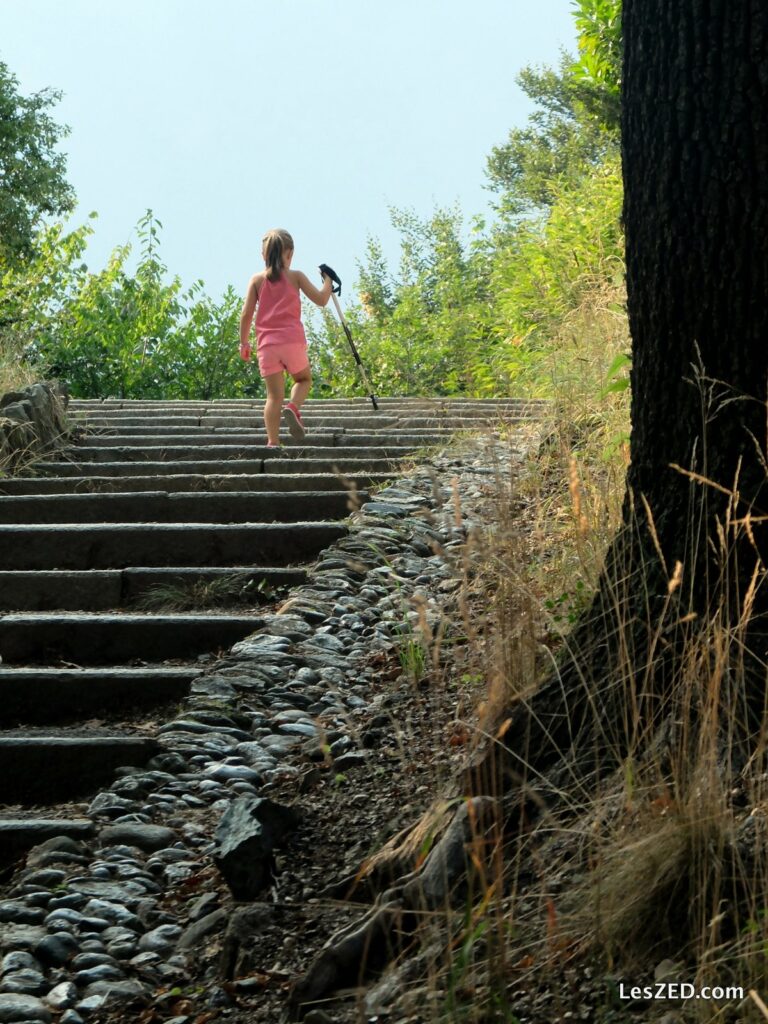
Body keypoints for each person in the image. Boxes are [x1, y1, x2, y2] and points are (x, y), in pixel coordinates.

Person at [239, 229, 333, 447]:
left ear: (263, 255)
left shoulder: (256, 280)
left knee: (273, 396)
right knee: (303, 379)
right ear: (289, 254)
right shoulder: (296, 276)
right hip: (292, 342)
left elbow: (246, 314)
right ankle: (293, 408)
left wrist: (244, 343)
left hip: (267, 346)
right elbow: (321, 299)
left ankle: (272, 441)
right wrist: (328, 281)